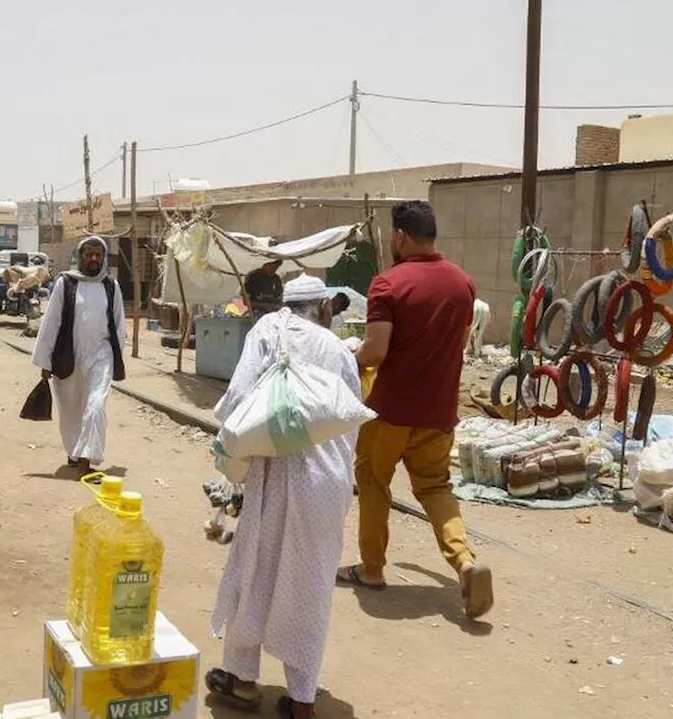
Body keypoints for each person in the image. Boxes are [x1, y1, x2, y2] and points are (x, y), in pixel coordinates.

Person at [207, 274, 362, 719]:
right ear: (324, 309)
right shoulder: (337, 349)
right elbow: (352, 415)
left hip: (274, 475)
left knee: (254, 568)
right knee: (310, 587)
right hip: (326, 484)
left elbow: (238, 397)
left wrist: (235, 458)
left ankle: (241, 680)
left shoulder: (267, 331)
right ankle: (302, 701)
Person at [338, 199, 494, 620]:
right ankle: (464, 562)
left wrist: (345, 357)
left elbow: (375, 351)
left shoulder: (388, 285)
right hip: (439, 413)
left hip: (390, 412)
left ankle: (371, 569)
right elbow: (456, 347)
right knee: (435, 488)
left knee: (373, 482)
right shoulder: (463, 284)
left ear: (401, 236)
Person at [31, 236, 125, 479]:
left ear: (104, 258)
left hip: (101, 355)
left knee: (95, 405)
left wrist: (116, 358)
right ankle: (75, 452)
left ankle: (86, 459)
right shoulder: (66, 283)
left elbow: (118, 325)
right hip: (68, 355)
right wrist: (45, 360)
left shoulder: (111, 286)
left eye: (98, 255)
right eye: (88, 254)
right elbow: (51, 321)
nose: (93, 259)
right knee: (71, 409)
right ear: (80, 257)